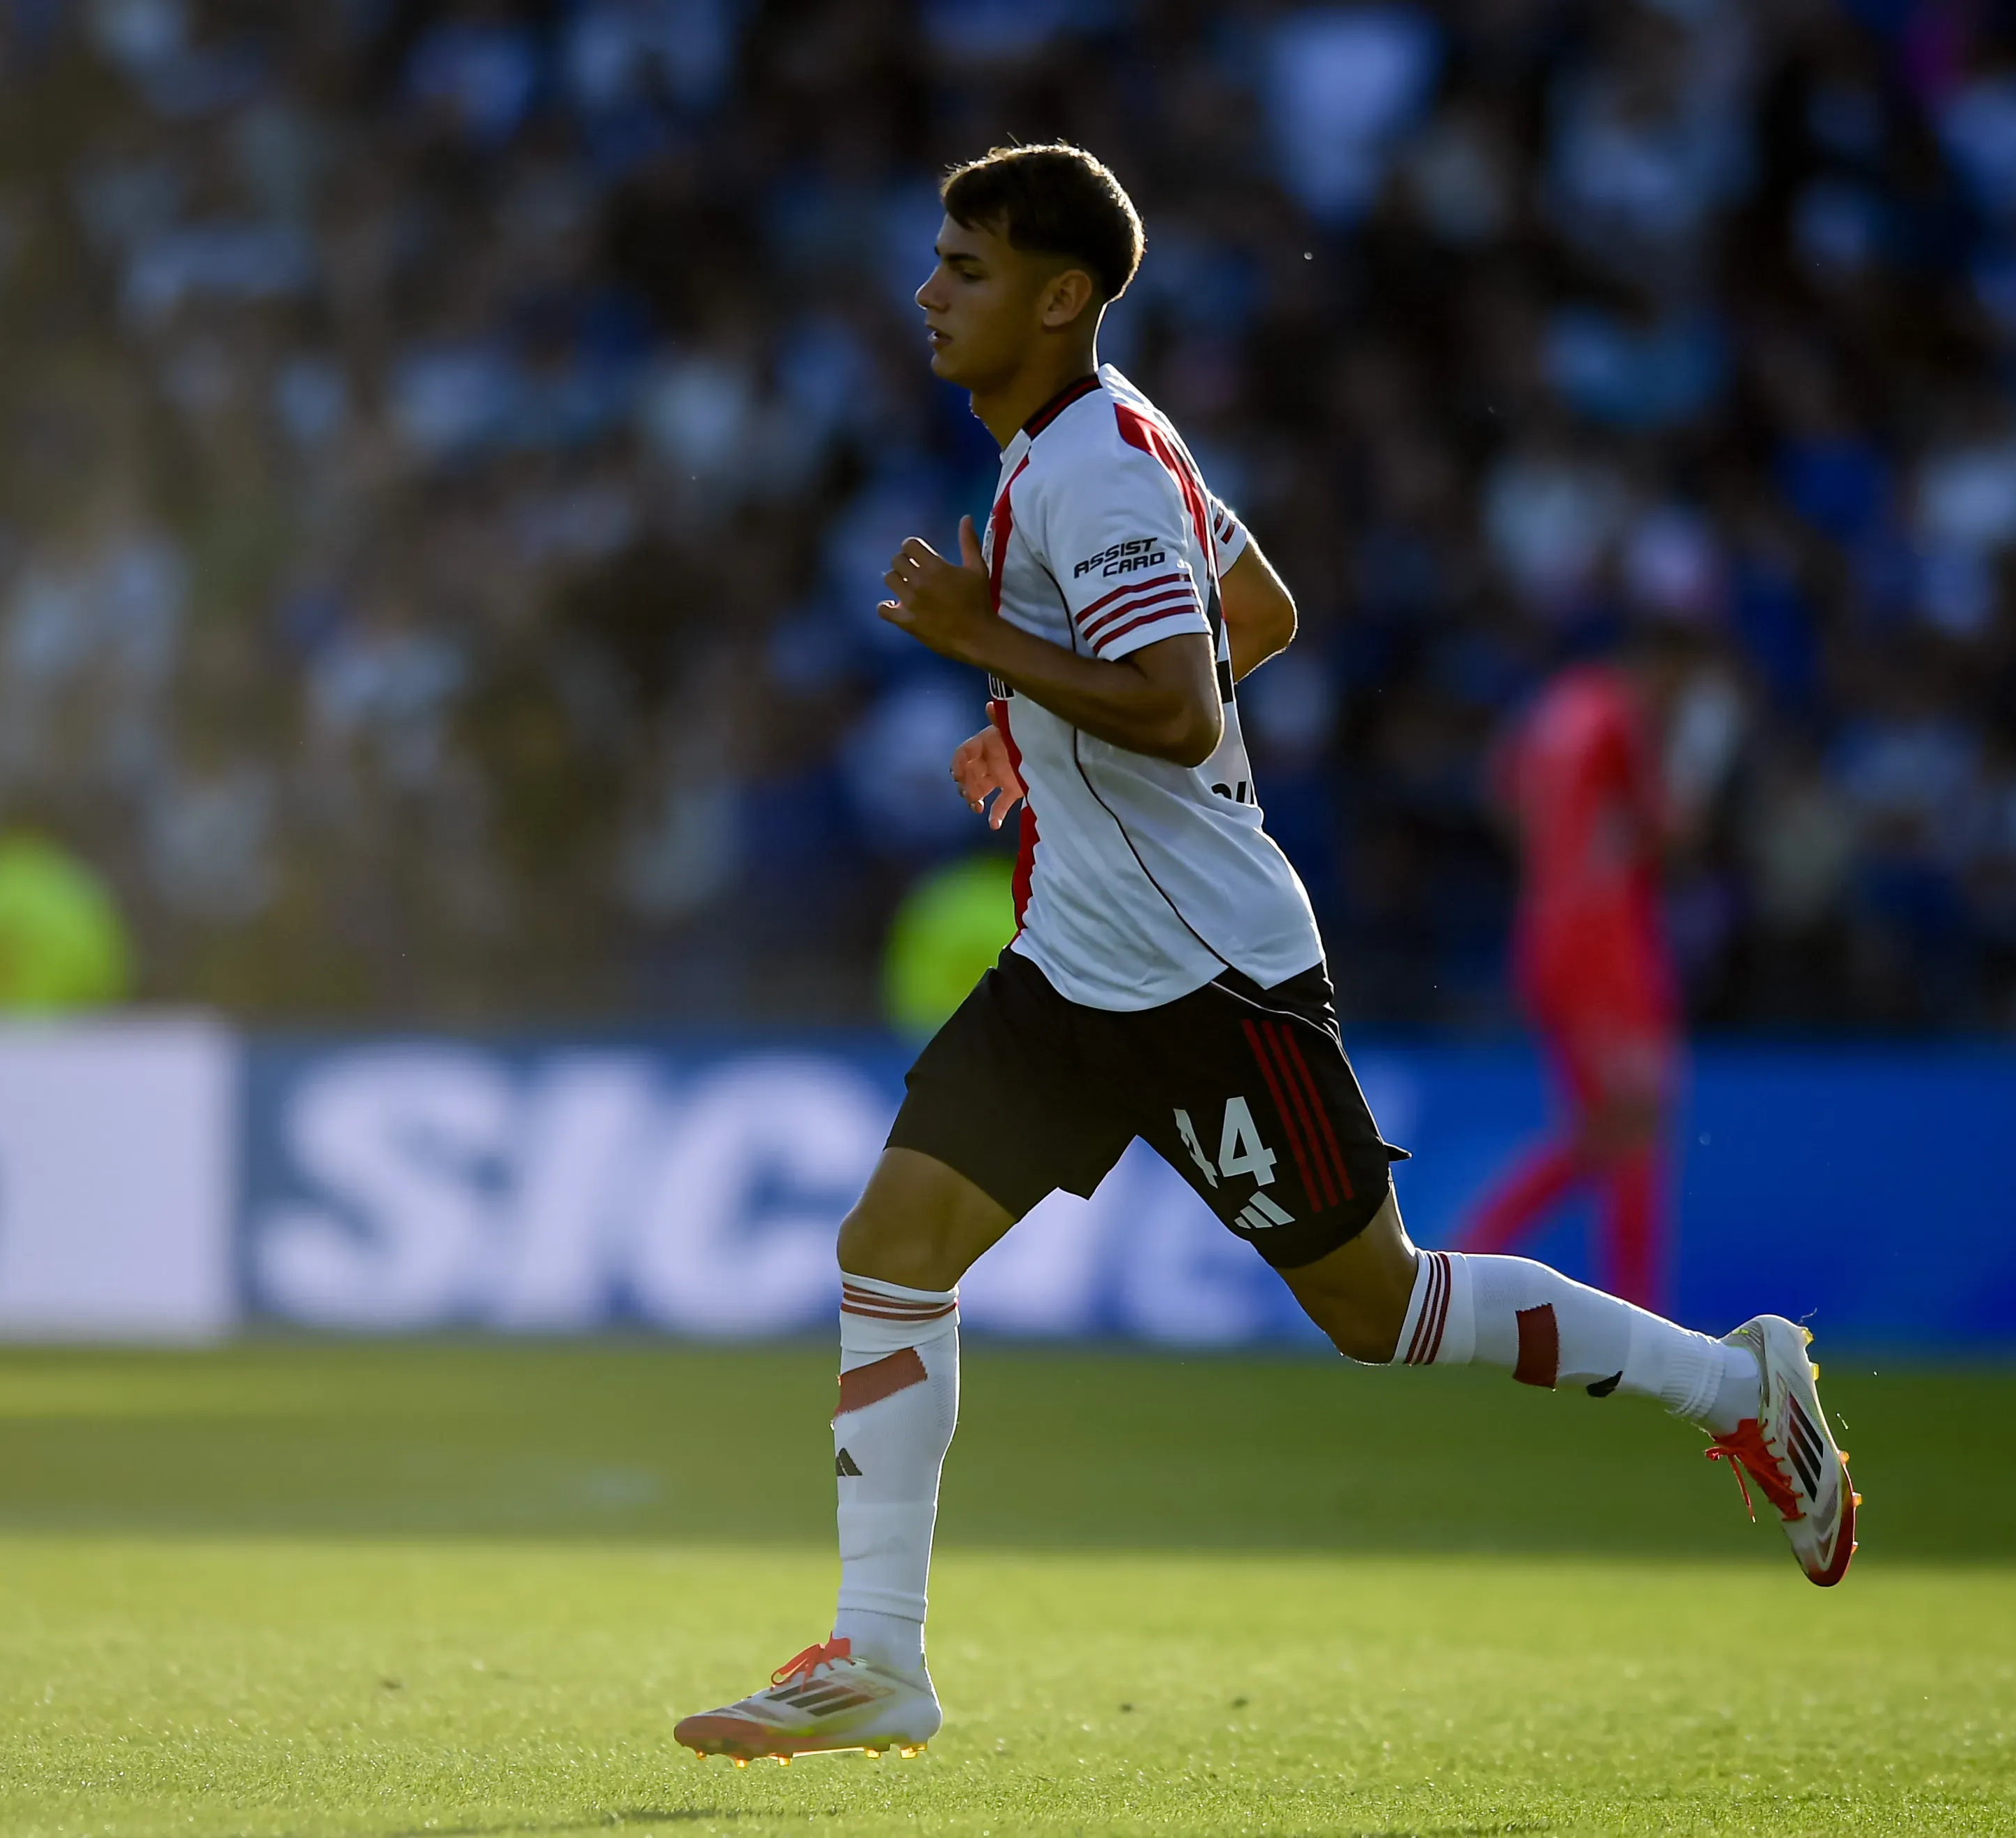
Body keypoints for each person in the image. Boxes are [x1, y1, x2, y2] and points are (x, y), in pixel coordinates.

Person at [672, 145, 1857, 1768]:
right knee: (893, 1242)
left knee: (1379, 1305)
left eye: (965, 268)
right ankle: (879, 1657)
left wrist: (984, 643)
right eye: (937, 261)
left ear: (1060, 297)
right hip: (1077, 961)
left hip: (1207, 978)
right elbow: (1264, 607)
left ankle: (1735, 1386)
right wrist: (1036, 725)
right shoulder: (1097, 440)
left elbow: (1178, 704)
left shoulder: (1093, 467)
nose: (928, 293)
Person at [1450, 638, 1700, 1312]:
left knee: (1607, 1129)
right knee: (1633, 1123)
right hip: (1604, 943)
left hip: (1546, 931)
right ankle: (1629, 1301)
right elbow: (1668, 828)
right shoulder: (1620, 717)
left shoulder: (1551, 710)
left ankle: (1478, 1250)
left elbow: (1498, 791)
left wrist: (1555, 860)